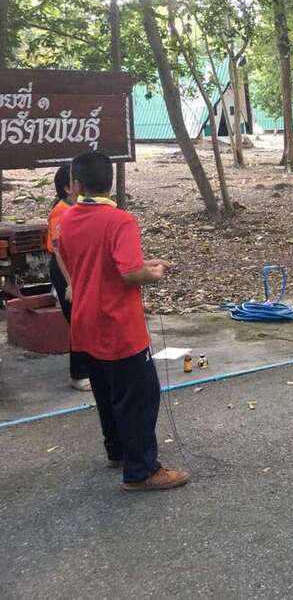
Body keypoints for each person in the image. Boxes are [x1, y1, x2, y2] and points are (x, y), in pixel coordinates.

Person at [58, 152, 189, 491]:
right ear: (110, 182)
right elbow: (129, 274)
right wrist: (153, 273)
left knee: (106, 393)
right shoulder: (120, 221)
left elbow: (95, 261)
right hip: (118, 327)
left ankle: (117, 451)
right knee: (140, 396)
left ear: (76, 184)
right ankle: (141, 471)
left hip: (86, 323)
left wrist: (143, 262)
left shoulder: (67, 220)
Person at [46, 164, 92, 391]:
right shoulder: (61, 211)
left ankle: (90, 366)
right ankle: (79, 374)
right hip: (64, 269)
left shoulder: (78, 207)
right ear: (68, 187)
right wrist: (71, 283)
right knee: (77, 320)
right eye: (77, 180)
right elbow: (58, 251)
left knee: (84, 318)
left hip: (77, 266)